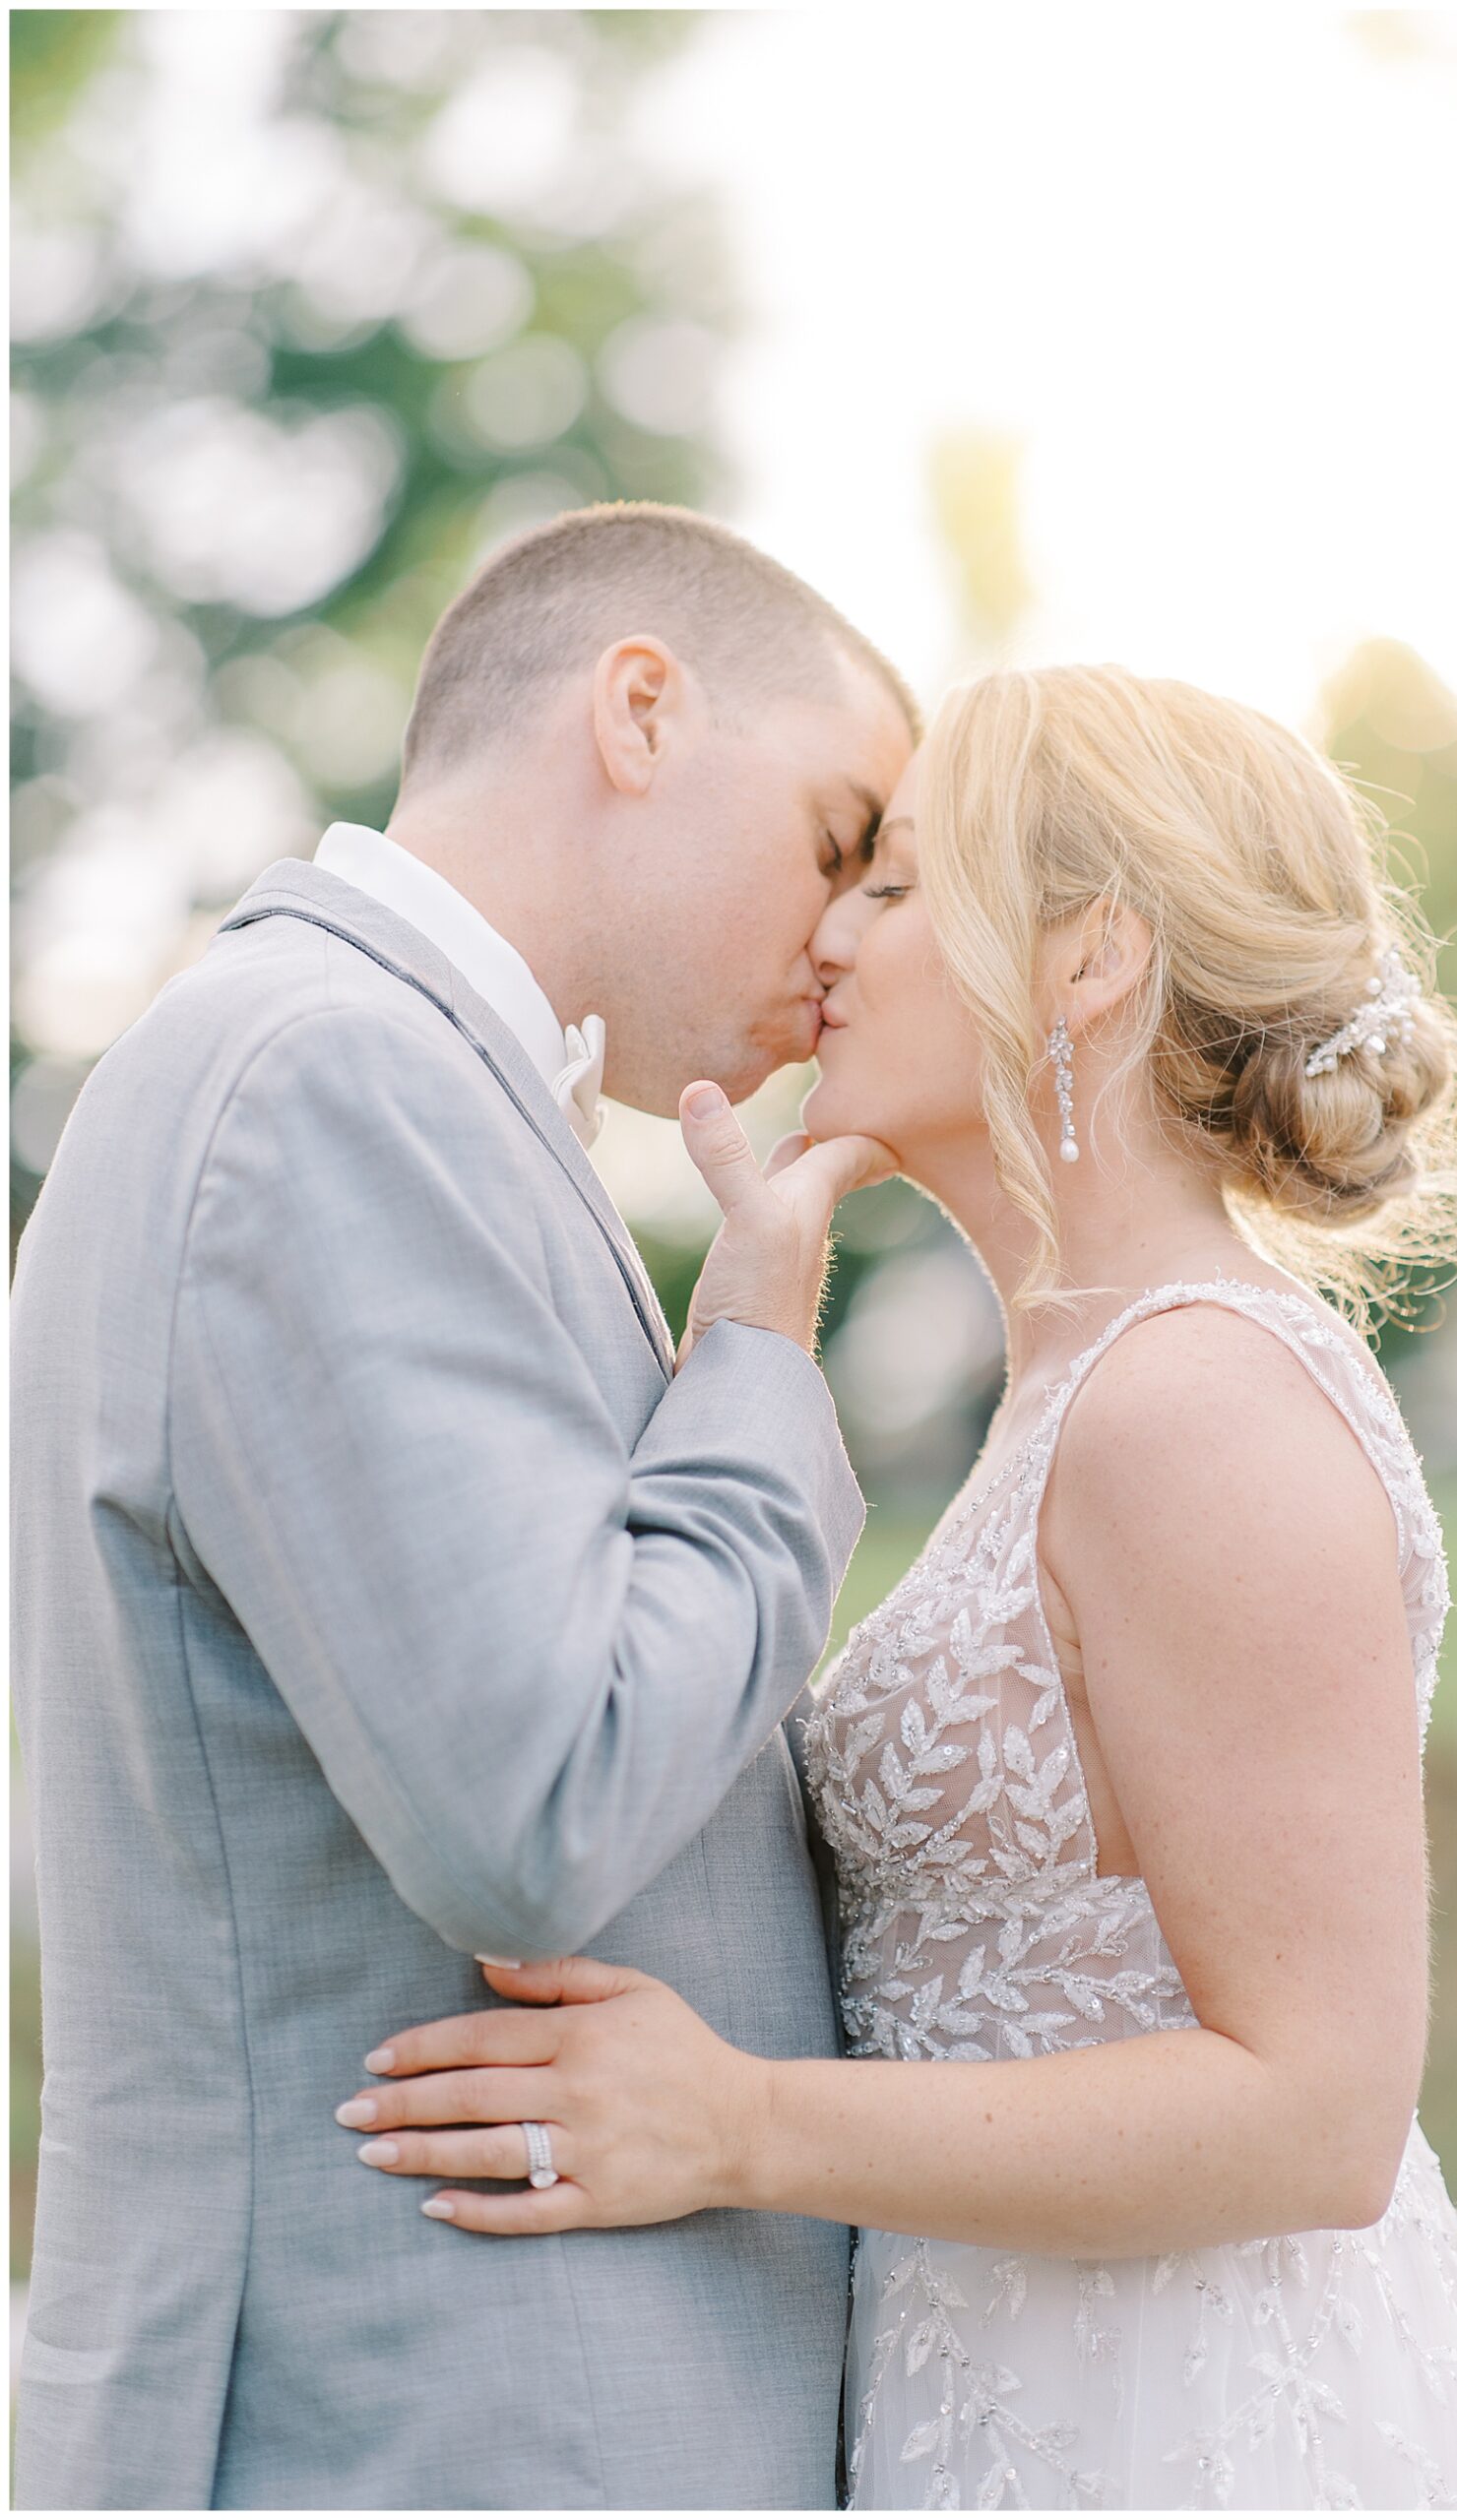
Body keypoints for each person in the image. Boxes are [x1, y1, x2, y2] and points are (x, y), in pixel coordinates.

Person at [345, 665, 1457, 2511]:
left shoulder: (1195, 1403)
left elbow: (1320, 2117)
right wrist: (750, 1322)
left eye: (895, 885)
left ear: (1088, 959)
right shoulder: (1068, 1394)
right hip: (992, 2398)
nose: (825, 928)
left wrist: (731, 2122)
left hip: (1187, 2432)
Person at [10, 503, 915, 2509]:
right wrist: (755, 1355)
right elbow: (541, 1801)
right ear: (641, 708)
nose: (844, 932)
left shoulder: (355, 1075)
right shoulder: (336, 1080)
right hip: (444, 2431)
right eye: (839, 836)